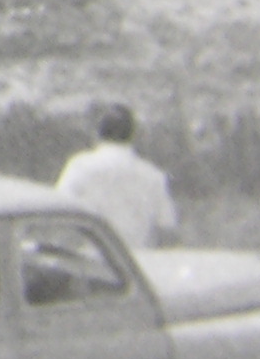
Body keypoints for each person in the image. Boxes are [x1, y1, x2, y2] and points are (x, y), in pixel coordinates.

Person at [57, 106, 178, 252]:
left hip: (89, 258)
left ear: (98, 133)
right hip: (137, 260)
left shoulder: (80, 166)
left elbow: (60, 212)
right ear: (134, 136)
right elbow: (166, 226)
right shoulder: (154, 176)